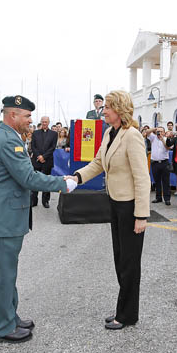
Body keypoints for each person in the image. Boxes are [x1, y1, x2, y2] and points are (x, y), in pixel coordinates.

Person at [0, 95, 76, 343]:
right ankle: (0, 327)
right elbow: (29, 178)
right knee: (3, 274)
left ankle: (9, 316)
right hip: (3, 218)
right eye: (27, 116)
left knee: (8, 271)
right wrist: (63, 183)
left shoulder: (9, 137)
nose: (30, 120)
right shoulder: (9, 141)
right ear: (12, 116)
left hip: (5, 215)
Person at [68, 90, 150, 330]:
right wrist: (77, 177)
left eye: (108, 108)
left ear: (119, 110)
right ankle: (123, 310)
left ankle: (127, 316)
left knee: (129, 262)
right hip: (115, 202)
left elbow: (142, 178)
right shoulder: (109, 133)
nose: (103, 110)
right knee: (119, 258)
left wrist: (141, 215)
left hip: (130, 206)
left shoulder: (132, 136)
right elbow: (98, 163)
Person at [29, 116, 58, 208]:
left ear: (48, 122)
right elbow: (33, 146)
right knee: (35, 181)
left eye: (46, 122)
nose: (44, 123)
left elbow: (52, 147)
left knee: (47, 181)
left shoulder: (54, 134)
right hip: (36, 160)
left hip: (47, 160)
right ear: (41, 122)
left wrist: (44, 156)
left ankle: (45, 201)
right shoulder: (35, 133)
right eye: (43, 122)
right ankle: (34, 200)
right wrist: (39, 156)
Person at [146, 127, 171, 205]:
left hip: (164, 162)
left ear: (164, 132)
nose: (159, 133)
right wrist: (154, 129)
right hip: (155, 163)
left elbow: (168, 148)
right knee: (157, 181)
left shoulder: (167, 139)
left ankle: (167, 199)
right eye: (158, 131)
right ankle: (158, 197)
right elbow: (146, 132)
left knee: (166, 181)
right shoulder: (153, 138)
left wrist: (162, 139)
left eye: (161, 131)